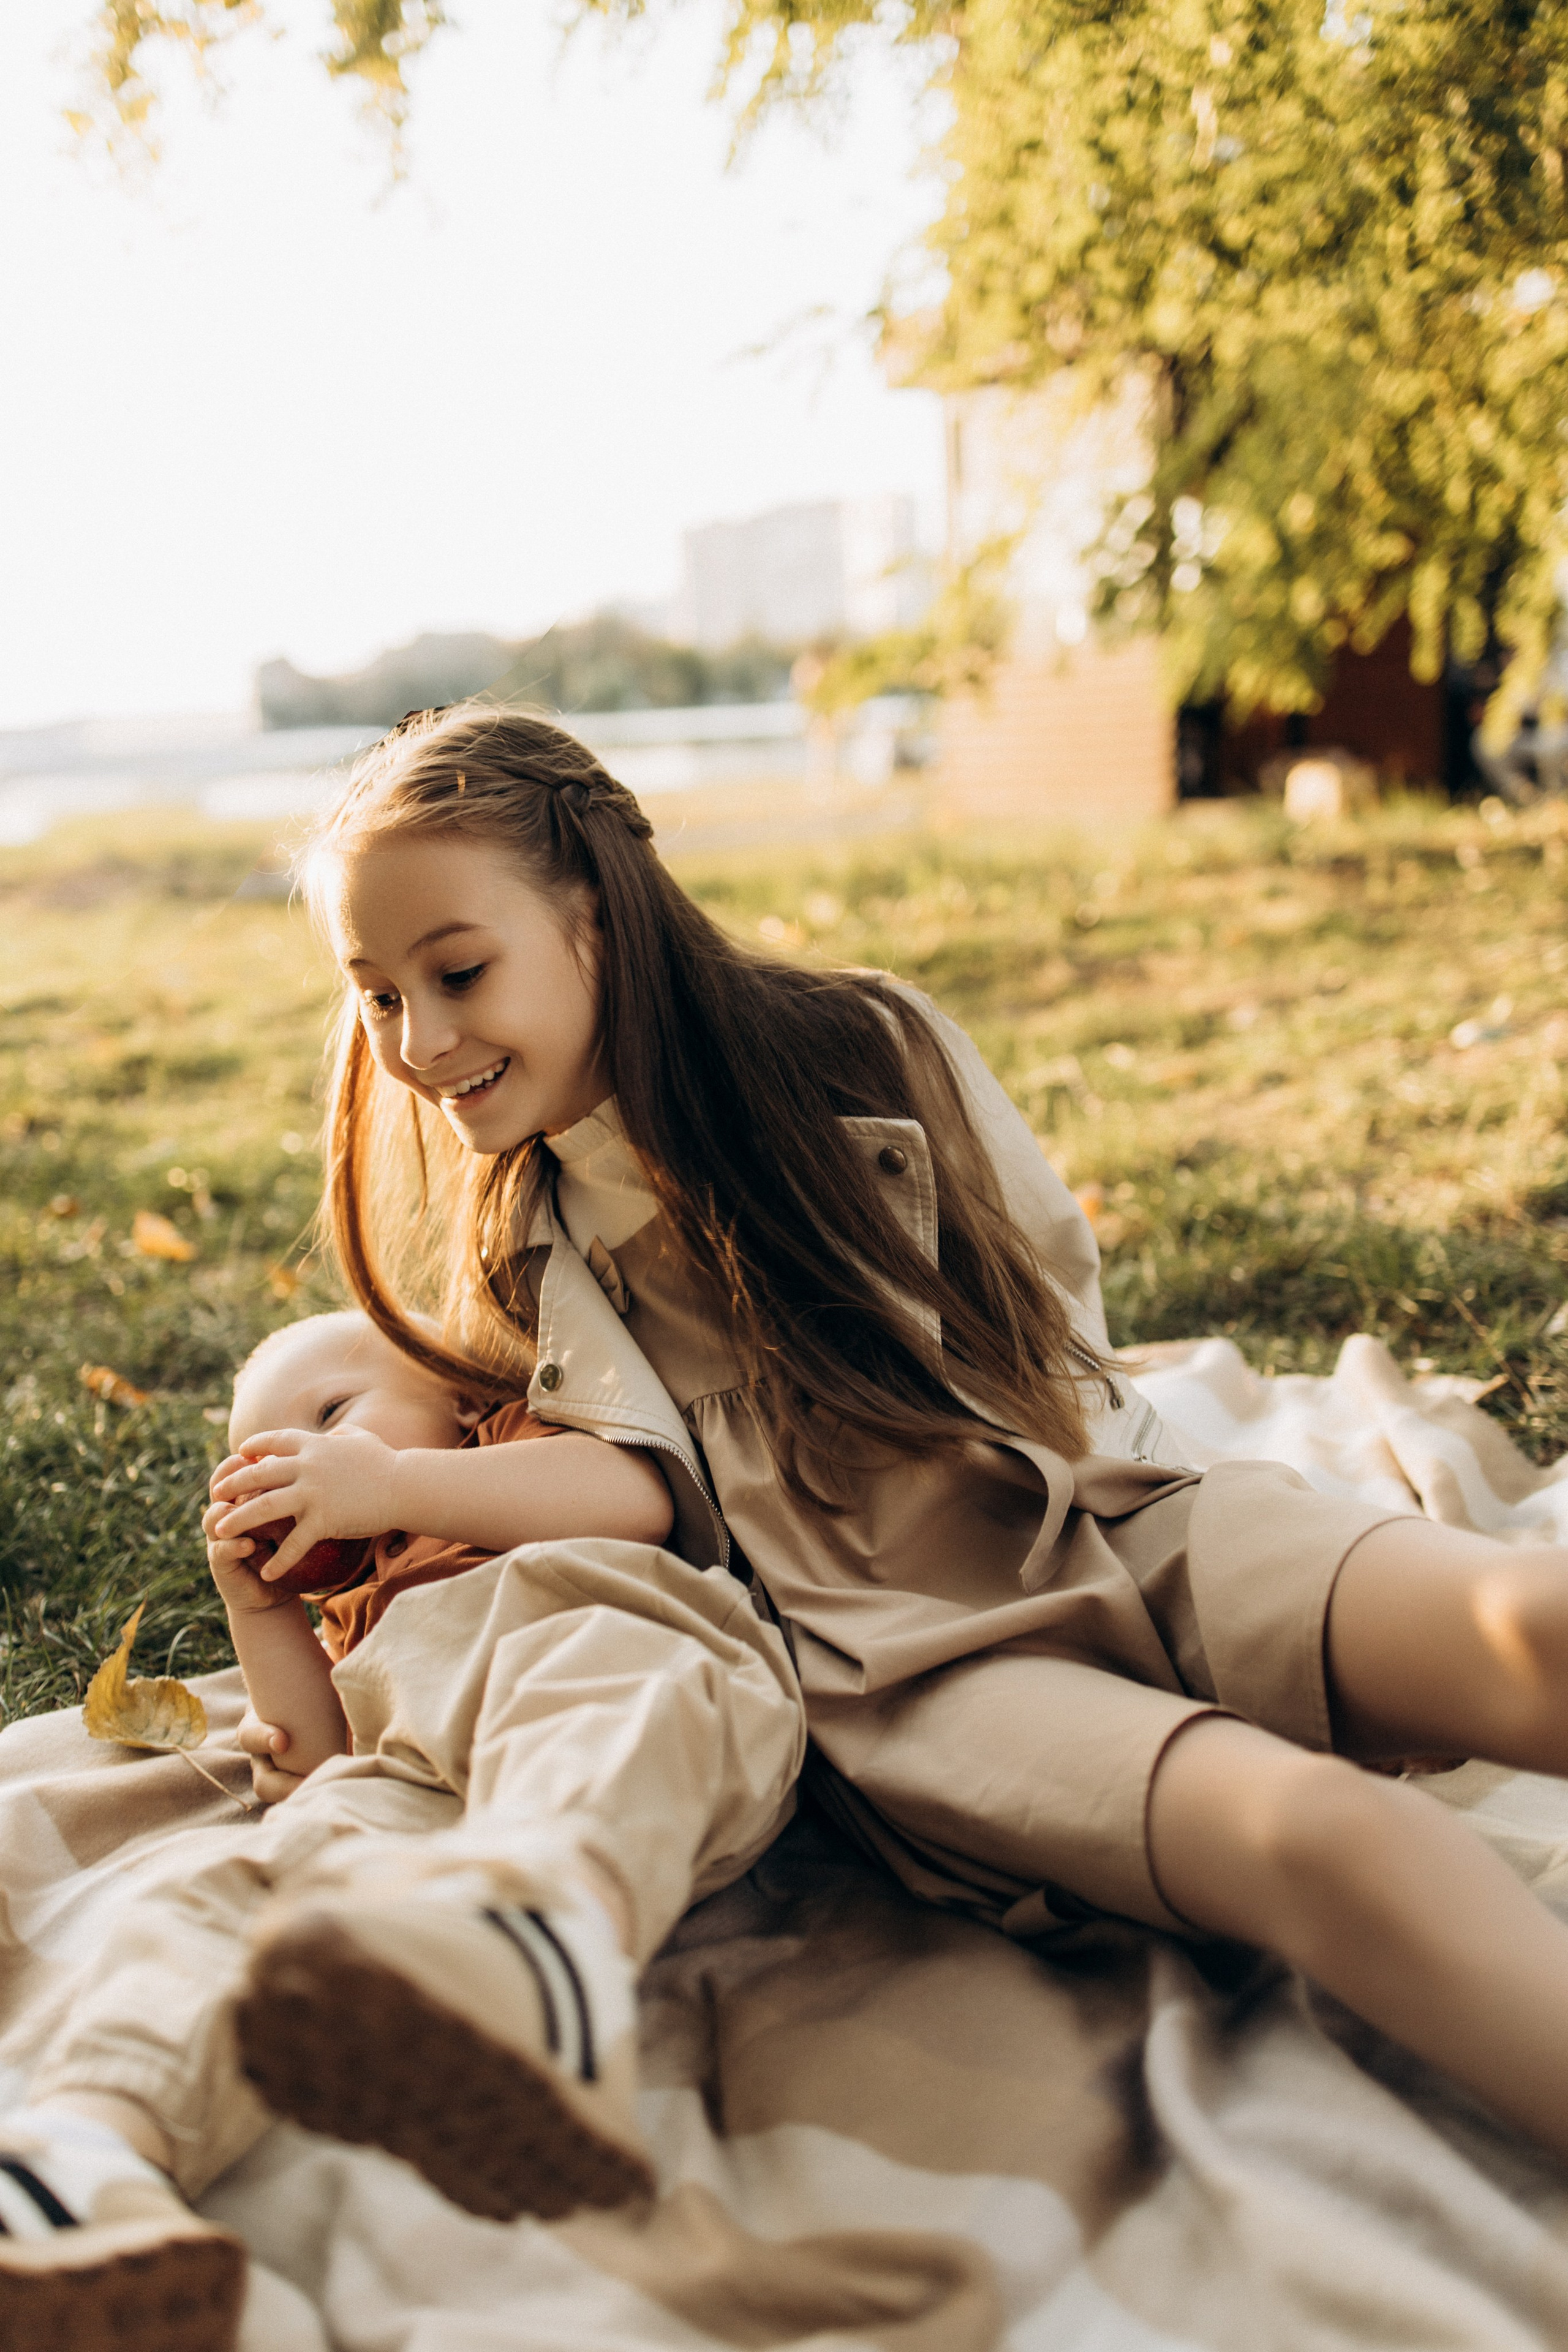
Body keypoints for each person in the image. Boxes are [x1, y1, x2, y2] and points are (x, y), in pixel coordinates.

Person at [270, 697, 1568, 2195]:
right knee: (1314, 1838)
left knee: (1518, 1622)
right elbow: (625, 1490)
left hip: (1102, 1507)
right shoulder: (527, 1245)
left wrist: (1166, 1545)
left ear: (596, 919)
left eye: (456, 972)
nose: (417, 1043)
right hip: (898, 1659)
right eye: (375, 997)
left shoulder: (859, 1045)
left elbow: (1046, 1288)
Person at [0, 1314, 803, 2345]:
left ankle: (537, 1929)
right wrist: (263, 1612)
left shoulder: (509, 1445)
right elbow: (316, 1766)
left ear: (460, 1398)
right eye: (257, 1460)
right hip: (414, 1766)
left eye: (331, 1414)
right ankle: (87, 2154)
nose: (303, 1461)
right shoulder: (360, 1602)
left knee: (609, 1708)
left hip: (597, 1661)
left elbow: (638, 1502)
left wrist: (387, 1484)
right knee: (254, 1885)